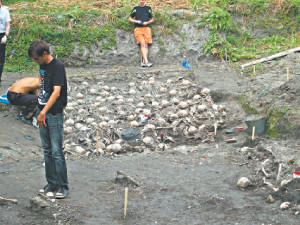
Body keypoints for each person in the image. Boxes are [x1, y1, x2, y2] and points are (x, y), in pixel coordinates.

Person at [28, 40, 69, 199]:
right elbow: (41, 82)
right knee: (46, 149)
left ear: (45, 54)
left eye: (36, 58)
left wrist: (43, 112)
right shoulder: (42, 65)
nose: (35, 61)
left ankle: (63, 185)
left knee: (57, 151)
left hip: (53, 113)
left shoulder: (58, 66)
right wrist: (38, 99)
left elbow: (57, 92)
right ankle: (51, 182)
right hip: (43, 110)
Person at [129, 0, 154, 67]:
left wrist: (147, 22)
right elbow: (130, 18)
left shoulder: (148, 8)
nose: (141, 1)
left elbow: (152, 19)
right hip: (138, 28)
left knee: (146, 44)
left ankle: (144, 62)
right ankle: (146, 62)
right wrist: (136, 21)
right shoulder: (135, 8)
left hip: (147, 28)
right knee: (142, 43)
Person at [0, 0, 11, 87]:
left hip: (2, 34)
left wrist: (6, 36)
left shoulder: (5, 11)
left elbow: (7, 25)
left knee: (1, 59)